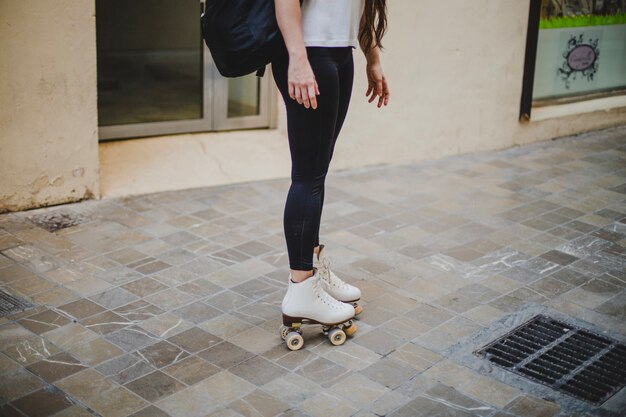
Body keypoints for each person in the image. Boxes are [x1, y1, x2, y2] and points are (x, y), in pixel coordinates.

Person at [273, 0, 390, 347]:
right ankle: (300, 288)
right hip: (308, 52)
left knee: (316, 174)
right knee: (307, 176)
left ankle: (313, 272)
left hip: (340, 53)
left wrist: (372, 57)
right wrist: (297, 58)